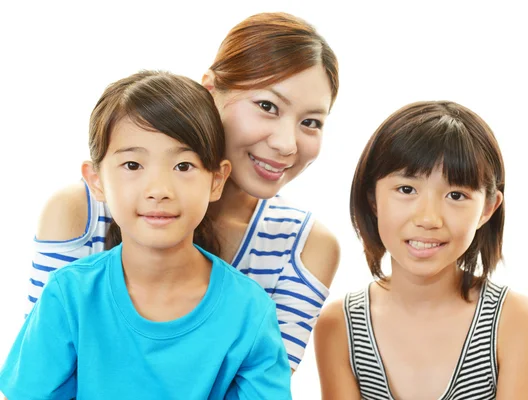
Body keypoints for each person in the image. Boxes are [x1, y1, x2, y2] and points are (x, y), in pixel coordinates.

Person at [27, 12, 340, 372]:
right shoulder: (81, 212)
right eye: (267, 106)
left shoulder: (304, 248)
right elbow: (44, 375)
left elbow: (259, 387)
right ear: (210, 90)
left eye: (311, 123)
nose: (287, 144)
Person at [0, 71, 291, 399]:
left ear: (216, 180)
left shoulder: (249, 311)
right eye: (133, 165)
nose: (159, 190)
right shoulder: (69, 296)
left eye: (183, 166)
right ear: (96, 180)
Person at [314, 101, 528, 399]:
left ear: (488, 208)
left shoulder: (514, 320)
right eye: (407, 190)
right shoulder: (339, 326)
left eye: (456, 195)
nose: (428, 219)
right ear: (373, 197)